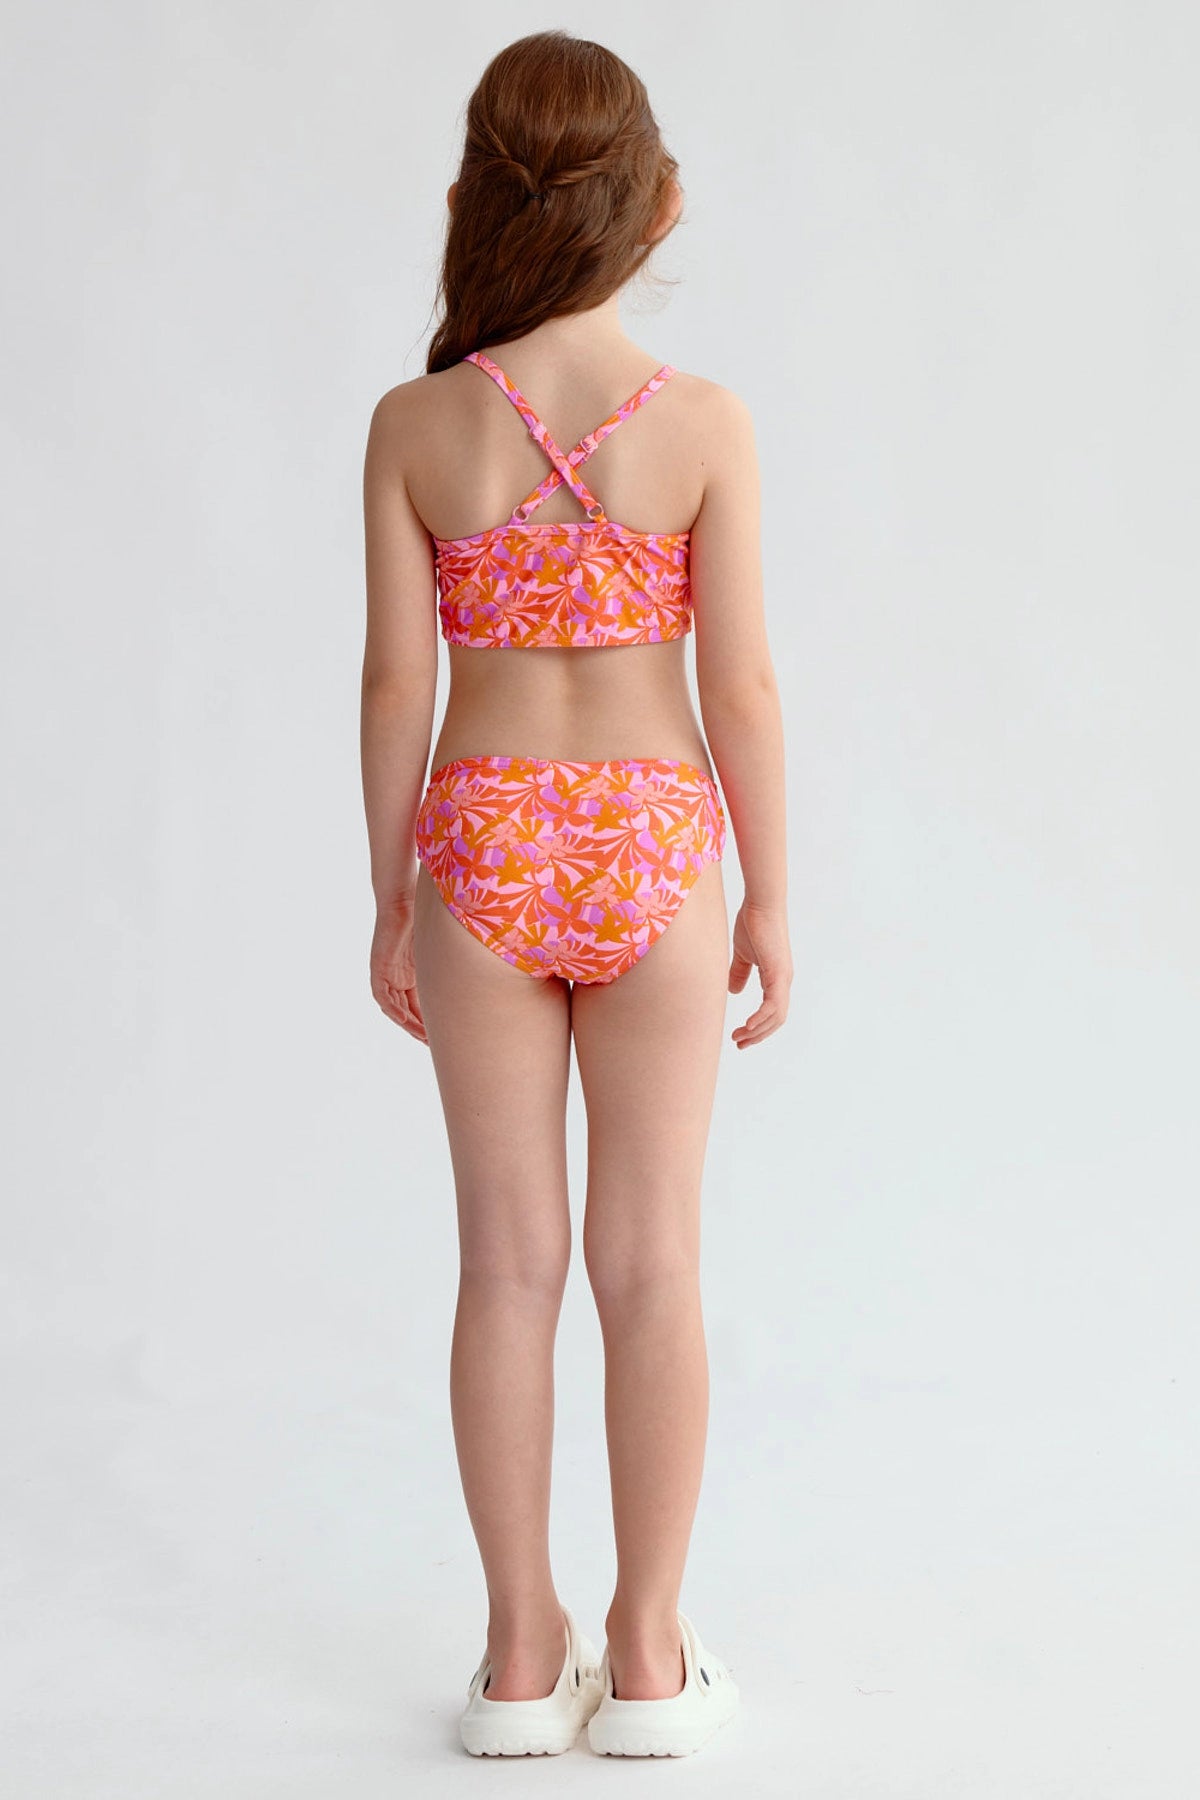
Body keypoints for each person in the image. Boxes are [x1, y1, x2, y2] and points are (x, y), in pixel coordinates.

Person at [360, 28, 791, 1760]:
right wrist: (770, 895)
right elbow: (740, 683)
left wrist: (390, 894)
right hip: (654, 842)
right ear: (656, 201)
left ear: (478, 195)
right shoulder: (698, 424)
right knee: (651, 1261)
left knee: (508, 1264)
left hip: (479, 845)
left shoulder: (418, 423)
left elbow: (395, 682)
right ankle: (654, 1658)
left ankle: (522, 1663)